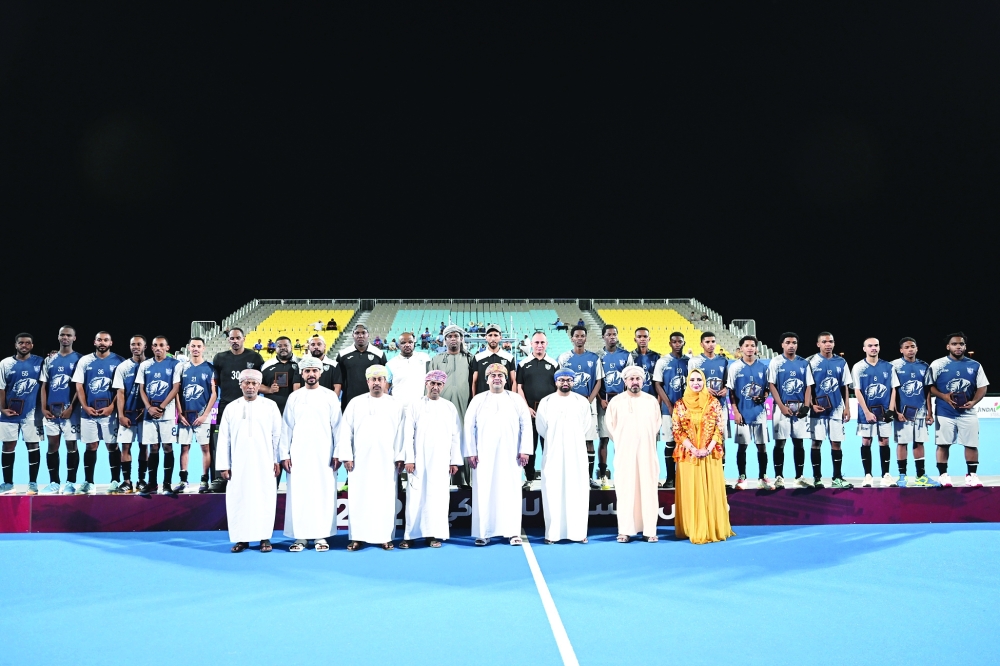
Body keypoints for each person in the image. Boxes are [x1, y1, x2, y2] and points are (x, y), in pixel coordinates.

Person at [334, 365, 405, 551]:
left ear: (386, 382)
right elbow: (345, 431)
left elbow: (401, 434)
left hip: (387, 461)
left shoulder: (395, 404)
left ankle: (384, 537)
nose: (376, 383)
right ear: (367, 382)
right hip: (360, 461)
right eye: (373, 379)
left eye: (380, 379)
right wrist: (347, 456)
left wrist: (400, 457)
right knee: (359, 498)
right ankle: (357, 537)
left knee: (385, 499)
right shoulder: (355, 403)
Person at [464, 363, 532, 546]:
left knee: (510, 491)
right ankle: (483, 532)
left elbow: (526, 424)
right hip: (483, 456)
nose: (496, 378)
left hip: (512, 455)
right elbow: (469, 427)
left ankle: (512, 532)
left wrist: (525, 450)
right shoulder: (478, 400)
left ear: (506, 380)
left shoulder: (516, 399)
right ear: (486, 380)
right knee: (484, 490)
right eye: (492, 375)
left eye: (500, 375)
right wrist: (470, 452)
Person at [280, 356, 342, 552]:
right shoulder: (294, 397)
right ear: (302, 373)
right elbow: (286, 428)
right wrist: (285, 455)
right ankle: (300, 537)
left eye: (314, 371)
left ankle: (321, 536)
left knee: (322, 493)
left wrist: (338, 453)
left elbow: (338, 427)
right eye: (307, 371)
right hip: (298, 454)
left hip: (324, 454)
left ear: (320, 373)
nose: (311, 374)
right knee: (299, 493)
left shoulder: (330, 396)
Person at [216, 369, 281, 553]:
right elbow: (224, 438)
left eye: (254, 383)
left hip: (265, 461)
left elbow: (277, 435)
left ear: (259, 386)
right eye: (247, 383)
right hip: (239, 463)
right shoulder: (231, 407)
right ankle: (241, 539)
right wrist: (224, 465)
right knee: (239, 498)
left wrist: (276, 460)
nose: (250, 386)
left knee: (264, 498)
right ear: (240, 385)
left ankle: (264, 538)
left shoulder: (270, 406)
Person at [400, 370, 463, 549]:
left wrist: (453, 461)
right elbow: (408, 434)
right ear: (426, 384)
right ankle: (410, 536)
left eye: (439, 384)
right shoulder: (414, 405)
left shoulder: (449, 407)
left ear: (443, 386)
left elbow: (455, 435)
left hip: (441, 460)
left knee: (437, 498)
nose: (435, 387)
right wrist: (409, 459)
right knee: (415, 497)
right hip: (418, 460)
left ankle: (433, 535)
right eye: (432, 383)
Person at [672, 368, 735, 544]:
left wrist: (708, 448)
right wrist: (693, 448)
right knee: (691, 492)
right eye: (692, 380)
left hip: (709, 455)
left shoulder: (714, 402)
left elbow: (719, 428)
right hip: (688, 456)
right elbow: (677, 431)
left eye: (699, 379)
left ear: (705, 381)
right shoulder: (680, 404)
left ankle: (711, 527)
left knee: (710, 491)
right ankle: (691, 528)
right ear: (687, 382)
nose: (696, 383)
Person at [605, 365, 662, 543]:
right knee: (625, 489)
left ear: (643, 381)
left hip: (647, 451)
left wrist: (642, 439)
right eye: (631, 379)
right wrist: (624, 442)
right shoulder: (616, 402)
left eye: (638, 379)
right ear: (625, 381)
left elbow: (656, 424)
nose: (635, 382)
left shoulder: (651, 401)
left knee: (648, 488)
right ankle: (625, 530)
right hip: (624, 452)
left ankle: (649, 530)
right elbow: (610, 425)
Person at [535, 368, 592, 544]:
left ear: (573, 382)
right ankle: (552, 534)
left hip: (576, 453)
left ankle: (578, 532)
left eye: (569, 379)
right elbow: (542, 428)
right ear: (556, 382)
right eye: (561, 380)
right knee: (553, 490)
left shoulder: (582, 402)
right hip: (553, 452)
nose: (565, 383)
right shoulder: (546, 401)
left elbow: (586, 426)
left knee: (577, 490)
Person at [927, 332, 988, 487]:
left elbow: (982, 386)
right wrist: (944, 396)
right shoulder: (937, 364)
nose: (958, 346)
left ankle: (972, 475)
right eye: (954, 344)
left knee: (972, 444)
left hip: (968, 413)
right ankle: (943, 475)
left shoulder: (975, 365)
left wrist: (974, 401)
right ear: (948, 346)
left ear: (965, 346)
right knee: (943, 444)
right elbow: (930, 387)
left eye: (961, 344)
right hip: (944, 412)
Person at [209, 327, 265, 493]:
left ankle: (250, 475)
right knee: (221, 442)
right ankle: (220, 477)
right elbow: (215, 383)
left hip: (250, 406)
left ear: (244, 338)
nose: (234, 341)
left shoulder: (255, 357)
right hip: (226, 405)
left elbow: (260, 382)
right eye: (232, 338)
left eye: (237, 338)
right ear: (229, 340)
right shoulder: (219, 358)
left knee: (249, 439)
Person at [71, 331, 125, 495]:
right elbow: (79, 385)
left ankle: (115, 480)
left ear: (111, 343)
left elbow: (121, 389)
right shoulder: (85, 361)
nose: (102, 342)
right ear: (94, 342)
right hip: (89, 412)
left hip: (110, 413)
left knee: (112, 445)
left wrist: (112, 407)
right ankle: (89, 482)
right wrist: (85, 406)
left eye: (106, 340)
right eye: (99, 340)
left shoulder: (119, 362)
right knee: (91, 445)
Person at [429, 325, 476, 487]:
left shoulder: (470, 358)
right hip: (441, 408)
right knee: (443, 441)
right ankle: (441, 479)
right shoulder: (436, 359)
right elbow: (428, 387)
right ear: (445, 339)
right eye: (449, 336)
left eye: (456, 335)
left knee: (464, 440)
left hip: (465, 406)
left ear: (461, 338)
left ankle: (464, 480)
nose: (453, 339)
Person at [556, 325, 603, 486]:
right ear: (572, 338)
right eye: (577, 335)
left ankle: (588, 478)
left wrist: (589, 400)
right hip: (568, 405)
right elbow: (559, 381)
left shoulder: (594, 358)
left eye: (582, 335)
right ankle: (570, 477)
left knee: (589, 441)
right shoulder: (563, 358)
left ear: (586, 338)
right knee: (569, 440)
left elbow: (598, 381)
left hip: (589, 404)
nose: (580, 338)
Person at [37, 326, 81, 495]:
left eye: (69, 335)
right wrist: (43, 408)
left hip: (71, 412)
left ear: (74, 338)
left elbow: (79, 388)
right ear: (58, 337)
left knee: (71, 445)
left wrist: (71, 408)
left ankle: (71, 482)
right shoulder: (50, 359)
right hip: (51, 412)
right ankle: (54, 482)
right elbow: (44, 385)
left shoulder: (79, 359)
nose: (65, 337)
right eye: (62, 334)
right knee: (52, 446)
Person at [807, 332, 854, 488]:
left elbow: (845, 386)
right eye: (824, 341)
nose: (828, 344)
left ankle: (837, 478)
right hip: (817, 410)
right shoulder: (811, 362)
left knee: (836, 443)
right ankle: (817, 478)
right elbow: (808, 387)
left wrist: (846, 407)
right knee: (816, 443)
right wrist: (811, 404)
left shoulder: (841, 362)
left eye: (831, 341)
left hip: (836, 408)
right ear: (818, 344)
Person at [890, 337, 939, 487]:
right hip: (902, 413)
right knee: (902, 443)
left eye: (913, 346)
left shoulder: (924, 366)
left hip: (921, 412)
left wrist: (930, 413)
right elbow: (893, 391)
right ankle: (902, 476)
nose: (910, 349)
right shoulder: (894, 366)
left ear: (917, 348)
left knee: (919, 442)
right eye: (907, 347)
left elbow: (928, 391)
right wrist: (895, 412)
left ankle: (920, 476)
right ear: (901, 350)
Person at [768, 332, 813, 489]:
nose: (791, 345)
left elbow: (808, 385)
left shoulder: (803, 363)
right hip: (782, 407)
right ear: (782, 345)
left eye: (794, 342)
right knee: (780, 442)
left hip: (799, 407)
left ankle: (799, 476)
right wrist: (781, 406)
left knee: (799, 443)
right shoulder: (776, 362)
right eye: (788, 342)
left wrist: (806, 406)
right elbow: (771, 385)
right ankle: (779, 477)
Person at [137, 336, 182, 494]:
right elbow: (141, 389)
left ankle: (167, 483)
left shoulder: (175, 364)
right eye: (155, 345)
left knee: (167, 446)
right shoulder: (145, 365)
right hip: (149, 414)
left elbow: (175, 387)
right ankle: (152, 483)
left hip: (167, 414)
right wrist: (149, 407)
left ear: (167, 348)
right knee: (153, 447)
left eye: (161, 345)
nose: (158, 348)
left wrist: (161, 407)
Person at [0, 333, 43, 495]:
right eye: (21, 343)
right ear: (15, 345)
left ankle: (33, 483)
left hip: (32, 414)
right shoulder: (5, 363)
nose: (24, 346)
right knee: (8, 445)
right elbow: (1, 388)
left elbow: (45, 387)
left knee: (33, 445)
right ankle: (7, 483)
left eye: (27, 343)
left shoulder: (40, 362)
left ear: (32, 345)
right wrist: (2, 409)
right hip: (9, 414)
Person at [727, 335, 771, 490]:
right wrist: (736, 412)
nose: (750, 348)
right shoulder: (734, 367)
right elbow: (731, 391)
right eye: (747, 345)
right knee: (742, 446)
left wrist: (764, 396)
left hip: (759, 413)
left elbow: (767, 389)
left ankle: (763, 477)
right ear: (741, 349)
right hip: (742, 414)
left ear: (756, 348)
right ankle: (742, 477)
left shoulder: (764, 367)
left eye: (753, 345)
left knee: (762, 446)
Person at [517, 331, 560, 488]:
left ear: (546, 344)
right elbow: (519, 387)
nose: (539, 345)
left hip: (549, 412)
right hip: (530, 411)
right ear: (531, 344)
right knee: (530, 445)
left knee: (549, 446)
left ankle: (550, 477)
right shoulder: (523, 363)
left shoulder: (554, 364)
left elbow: (558, 387)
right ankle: (528, 478)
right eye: (536, 342)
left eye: (542, 342)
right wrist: (525, 407)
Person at [852, 337, 896, 488]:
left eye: (876, 345)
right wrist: (866, 412)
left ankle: (886, 475)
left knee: (884, 441)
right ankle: (868, 475)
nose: (873, 348)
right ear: (864, 348)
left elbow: (893, 389)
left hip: (884, 411)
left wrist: (890, 410)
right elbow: (857, 391)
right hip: (867, 412)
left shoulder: (888, 366)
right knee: (866, 441)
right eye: (870, 346)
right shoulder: (858, 367)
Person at [175, 337, 216, 493]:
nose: (196, 349)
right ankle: (183, 480)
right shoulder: (182, 367)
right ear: (189, 348)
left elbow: (213, 394)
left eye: (199, 346)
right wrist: (180, 413)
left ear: (203, 348)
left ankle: (204, 481)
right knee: (184, 448)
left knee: (205, 448)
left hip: (201, 416)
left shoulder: (210, 368)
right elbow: (177, 392)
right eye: (193, 346)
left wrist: (205, 415)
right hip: (185, 416)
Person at [652, 332, 688, 490]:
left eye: (680, 341)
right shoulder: (663, 361)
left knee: (687, 443)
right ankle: (670, 478)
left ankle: (684, 477)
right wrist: (668, 404)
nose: (677, 344)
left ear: (684, 342)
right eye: (674, 341)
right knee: (670, 443)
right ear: (670, 343)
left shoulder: (690, 361)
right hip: (669, 410)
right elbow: (658, 384)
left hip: (688, 411)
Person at [112, 335, 147, 493]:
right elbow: (120, 392)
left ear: (145, 346)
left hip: (146, 416)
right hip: (128, 414)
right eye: (133, 344)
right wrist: (121, 415)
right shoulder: (123, 367)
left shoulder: (151, 365)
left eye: (139, 344)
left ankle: (141, 480)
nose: (136, 347)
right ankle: (126, 481)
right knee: (125, 447)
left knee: (144, 447)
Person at [596, 324, 630, 489]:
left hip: (621, 404)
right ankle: (603, 476)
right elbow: (596, 381)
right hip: (603, 403)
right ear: (603, 336)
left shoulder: (626, 356)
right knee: (604, 440)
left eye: (614, 334)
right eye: (608, 334)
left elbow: (630, 380)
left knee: (621, 441)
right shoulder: (598, 357)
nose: (612, 337)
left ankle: (622, 475)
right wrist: (601, 399)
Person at [335, 324, 386, 410]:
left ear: (368, 335)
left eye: (363, 333)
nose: (360, 335)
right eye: (357, 333)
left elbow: (384, 378)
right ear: (353, 335)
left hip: (374, 399)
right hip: (349, 399)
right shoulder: (343, 354)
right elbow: (339, 379)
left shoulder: (379, 354)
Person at [386, 332, 432, 406]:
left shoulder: (425, 358)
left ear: (414, 343)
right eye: (403, 342)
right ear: (398, 345)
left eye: (410, 342)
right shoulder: (391, 364)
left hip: (421, 407)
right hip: (399, 408)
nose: (407, 345)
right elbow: (386, 388)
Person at [472, 324, 517, 396]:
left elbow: (513, 381)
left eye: (496, 335)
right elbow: (474, 382)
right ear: (486, 337)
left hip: (504, 400)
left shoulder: (509, 357)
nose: (493, 338)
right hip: (484, 400)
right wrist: (474, 400)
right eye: (490, 335)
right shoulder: (478, 358)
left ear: (500, 337)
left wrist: (513, 399)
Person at [260, 336, 299, 414]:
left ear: (291, 347)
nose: (283, 348)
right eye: (279, 346)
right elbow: (257, 385)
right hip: (271, 410)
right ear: (275, 348)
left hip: (296, 409)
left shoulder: (300, 363)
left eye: (286, 345)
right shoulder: (267, 365)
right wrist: (269, 389)